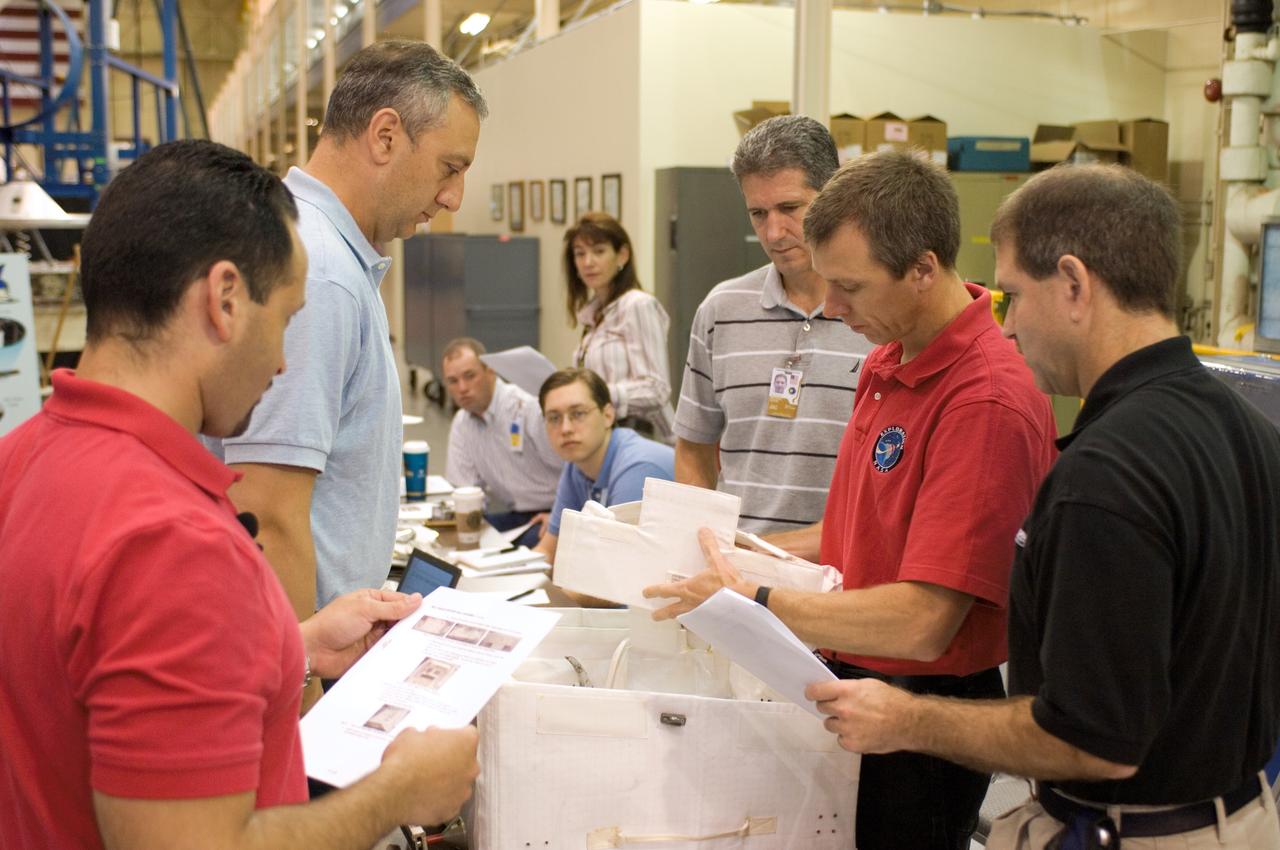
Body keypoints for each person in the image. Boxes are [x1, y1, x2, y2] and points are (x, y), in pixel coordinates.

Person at [0, 140, 478, 850]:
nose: (284, 359)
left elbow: (87, 682)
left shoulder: (23, 458)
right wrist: (396, 793)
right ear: (224, 300)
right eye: (285, 318)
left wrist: (293, 648)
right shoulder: (173, 544)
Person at [804, 165, 1280, 850]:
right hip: (1241, 811)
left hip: (1138, 830)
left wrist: (907, 720)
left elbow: (1092, 740)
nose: (1010, 322)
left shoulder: (1107, 475)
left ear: (1075, 285)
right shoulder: (1250, 429)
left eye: (1014, 296)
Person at [644, 150, 1058, 850]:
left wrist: (754, 597)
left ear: (923, 269)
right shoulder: (887, 361)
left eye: (851, 288)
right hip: (849, 677)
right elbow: (851, 529)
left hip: (923, 712)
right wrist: (746, 547)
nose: (832, 308)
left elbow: (924, 621)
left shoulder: (984, 400)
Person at [208, 40, 487, 623]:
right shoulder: (321, 272)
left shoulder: (308, 241)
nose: (452, 196)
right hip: (308, 651)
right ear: (385, 136)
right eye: (450, 167)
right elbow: (268, 508)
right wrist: (301, 686)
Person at [674, 115, 873, 533]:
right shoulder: (720, 311)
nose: (774, 232)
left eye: (789, 209)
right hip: (740, 573)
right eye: (758, 213)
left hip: (843, 575)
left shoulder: (879, 314)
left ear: (832, 196)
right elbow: (693, 448)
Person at [532, 367, 675, 565]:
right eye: (554, 418)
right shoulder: (576, 464)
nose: (565, 429)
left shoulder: (637, 468)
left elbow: (615, 571)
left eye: (578, 414)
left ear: (608, 415)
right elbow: (548, 550)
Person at [441, 336, 563, 547]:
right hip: (516, 516)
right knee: (450, 539)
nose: (462, 388)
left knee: (522, 545)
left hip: (554, 511)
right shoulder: (462, 424)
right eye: (453, 381)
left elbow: (576, 469)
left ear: (490, 371)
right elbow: (466, 493)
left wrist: (560, 516)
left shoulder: (527, 408)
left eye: (470, 376)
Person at [565, 212, 675, 441]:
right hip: (605, 438)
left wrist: (593, 394)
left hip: (644, 440)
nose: (588, 262)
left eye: (599, 251)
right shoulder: (592, 316)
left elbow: (657, 390)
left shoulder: (638, 305)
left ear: (622, 255)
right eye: (580, 254)